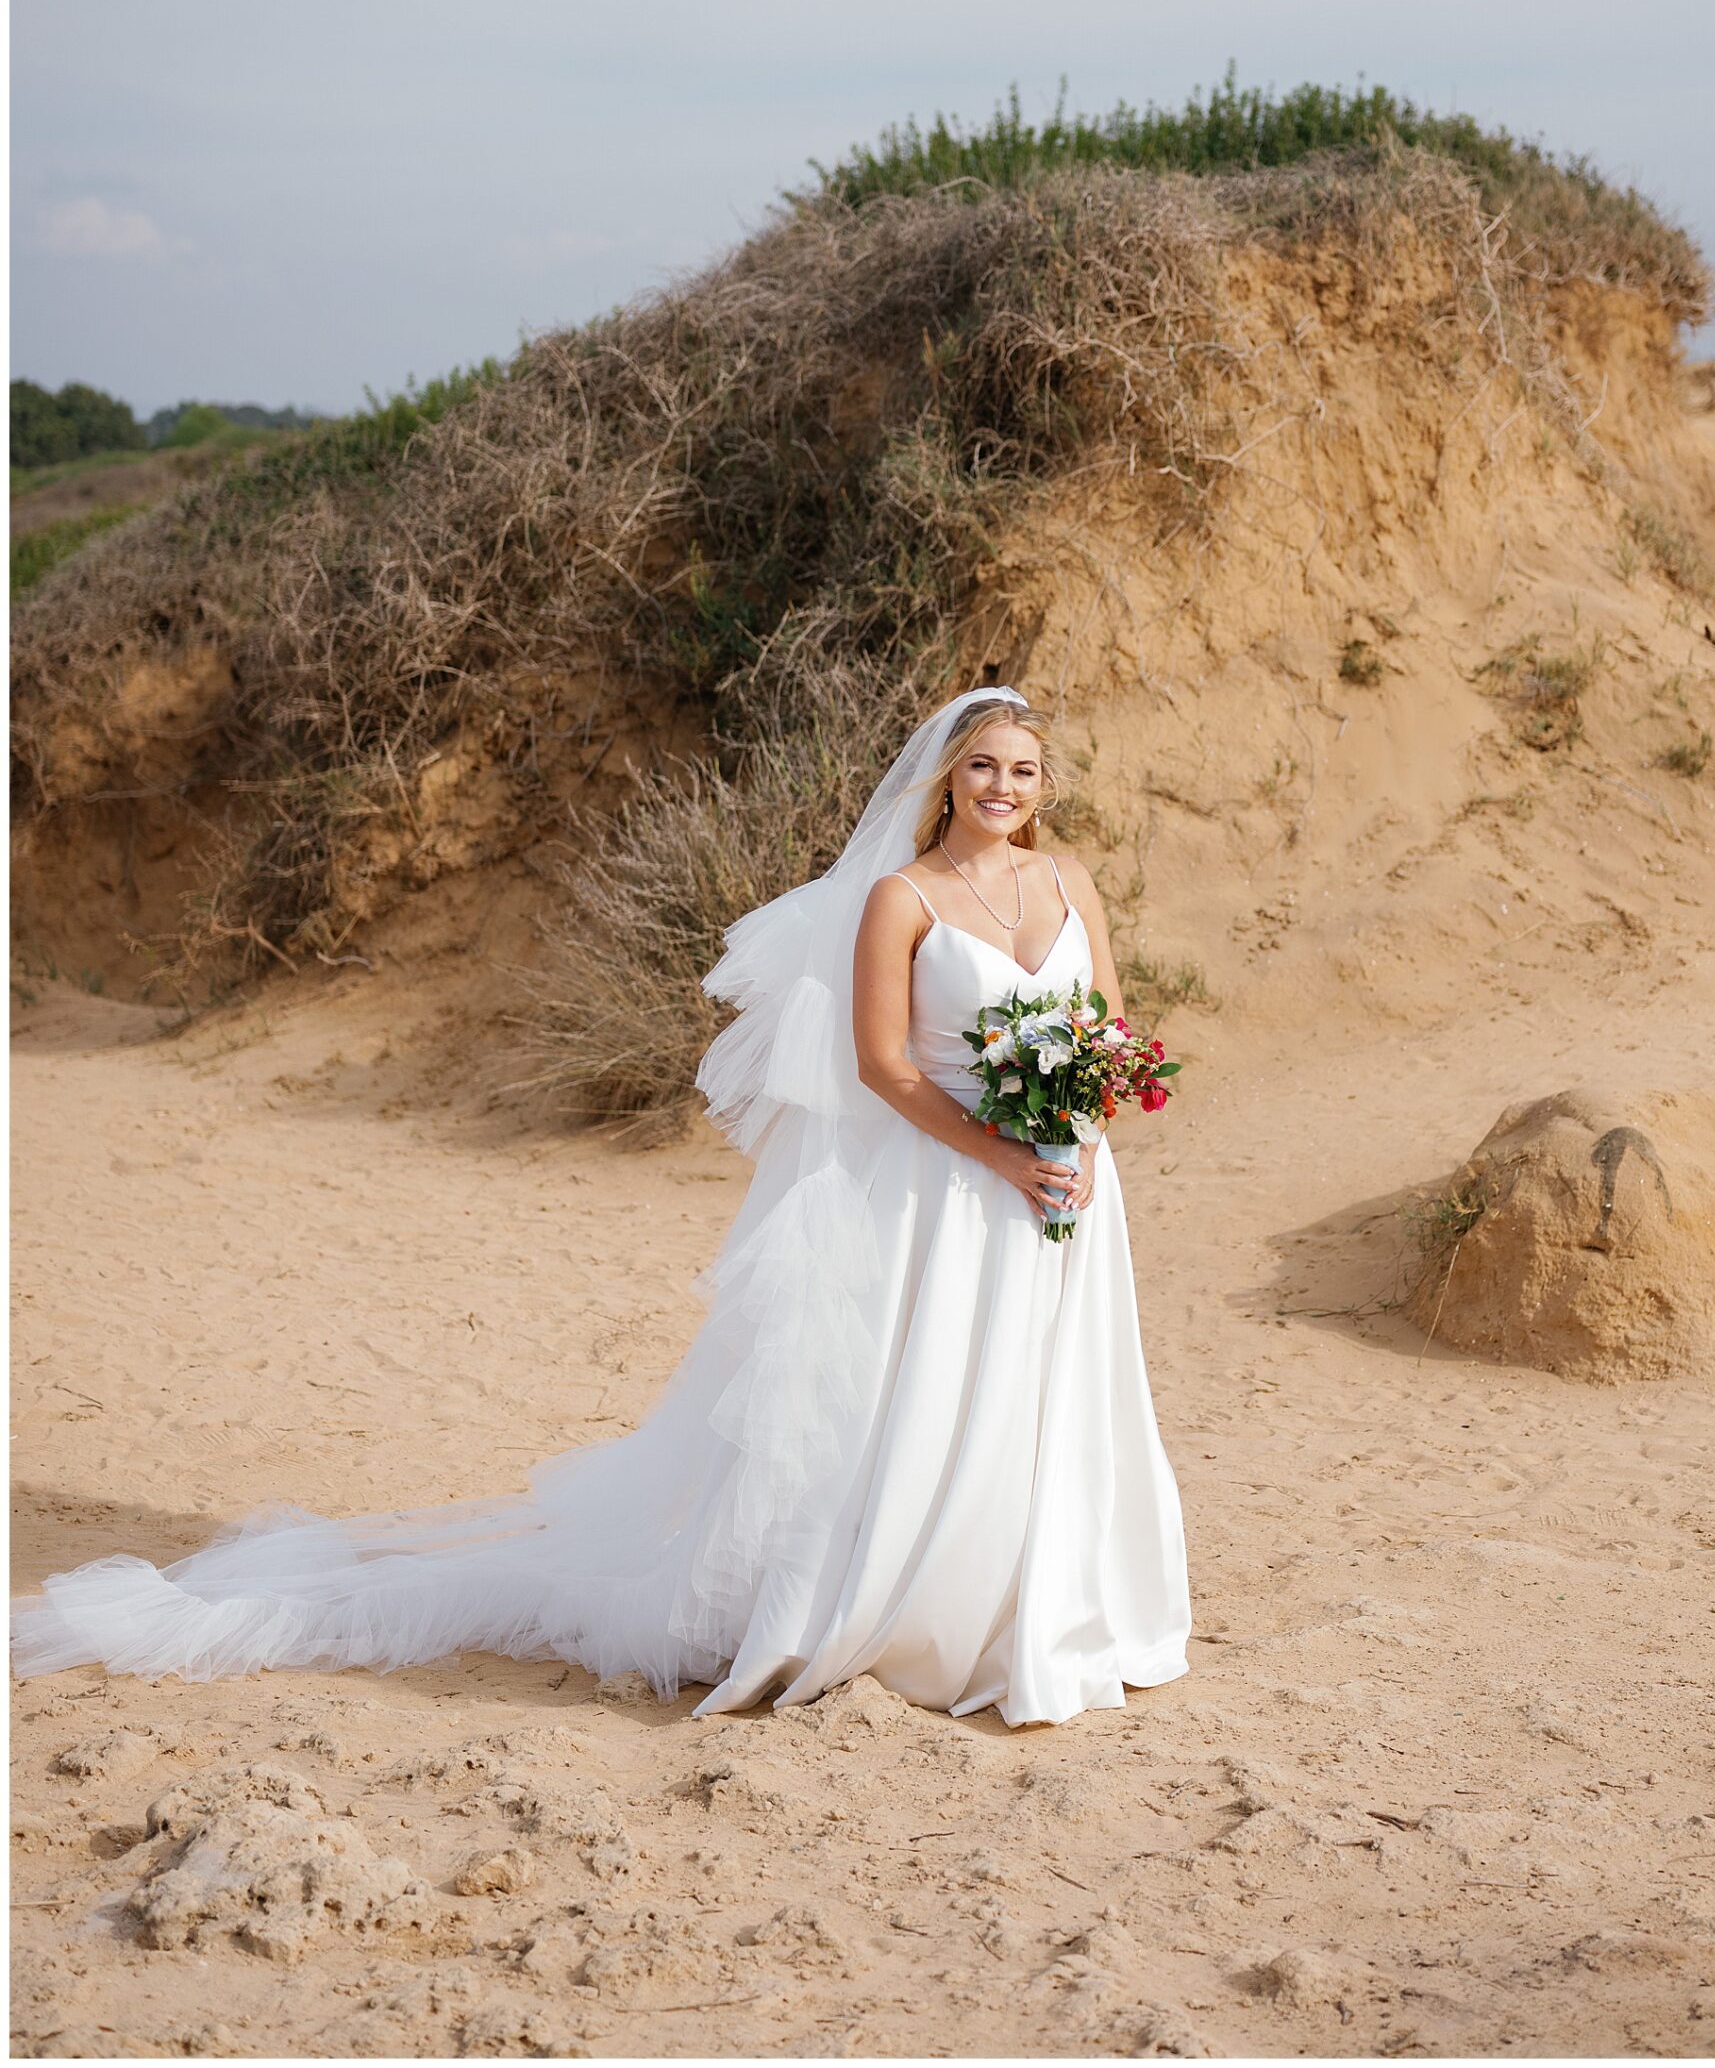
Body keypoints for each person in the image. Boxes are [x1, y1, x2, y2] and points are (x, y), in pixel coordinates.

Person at [11, 688, 1190, 1727]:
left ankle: (1050, 1600)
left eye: (1022, 768)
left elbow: (1110, 1030)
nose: (1001, 785)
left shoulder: (1069, 879)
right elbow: (883, 1065)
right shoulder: (902, 895)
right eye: (981, 764)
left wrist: (1079, 1126)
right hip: (954, 1178)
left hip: (1066, 1180)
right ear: (945, 777)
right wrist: (998, 1150)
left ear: (1044, 784)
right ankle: (930, 1616)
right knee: (946, 1390)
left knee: (1054, 1390)